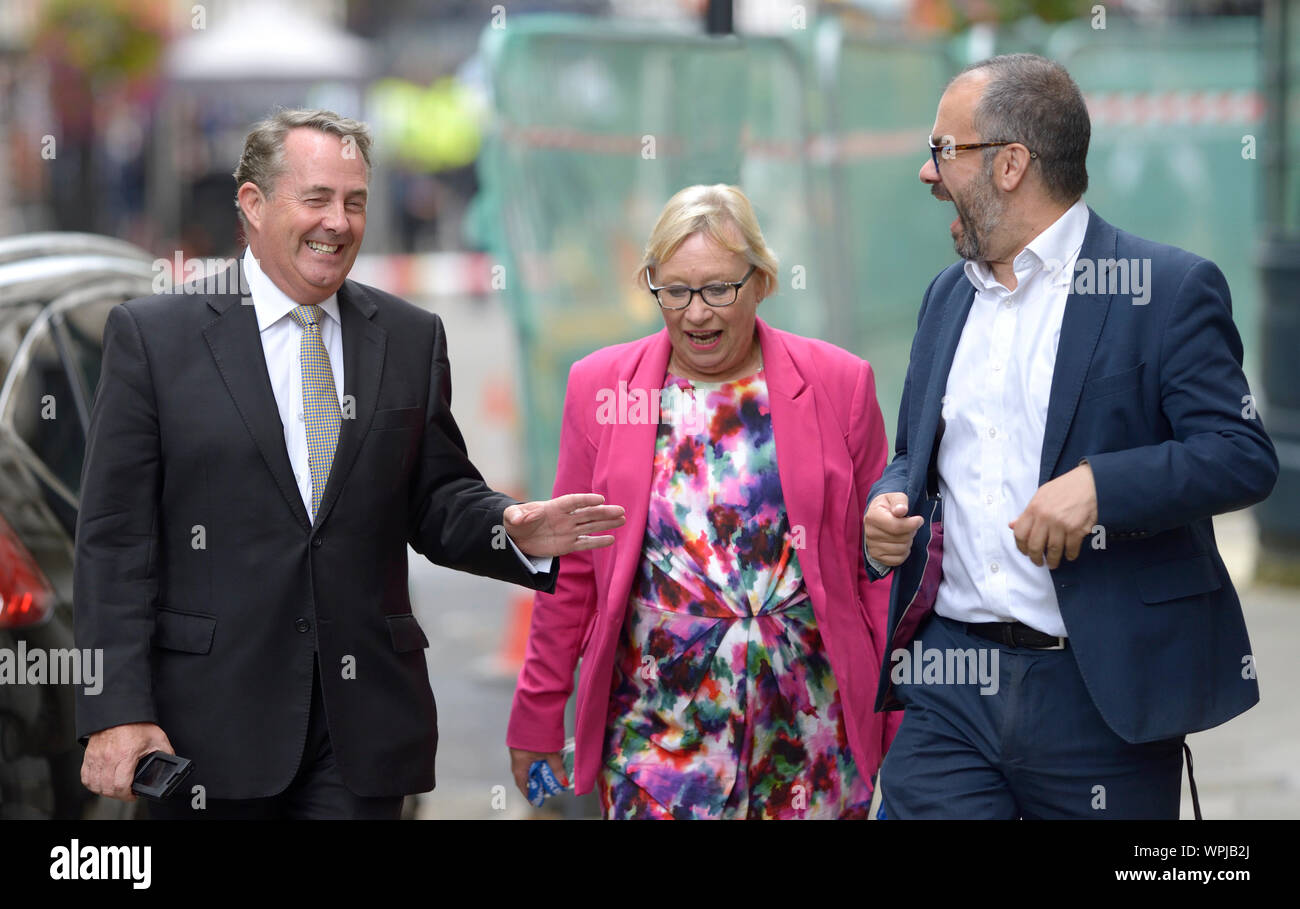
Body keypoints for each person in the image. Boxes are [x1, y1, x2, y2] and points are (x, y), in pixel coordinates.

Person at [74, 109, 625, 819]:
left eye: (355, 201)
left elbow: (434, 496)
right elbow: (114, 543)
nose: (339, 221)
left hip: (360, 731)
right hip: (206, 733)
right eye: (317, 199)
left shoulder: (408, 335)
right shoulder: (156, 337)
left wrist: (509, 527)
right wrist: (117, 709)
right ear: (252, 204)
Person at [863, 54, 1278, 819]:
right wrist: (888, 504)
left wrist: (1100, 487)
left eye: (943, 150)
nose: (928, 173)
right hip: (951, 682)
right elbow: (913, 461)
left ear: (1011, 163)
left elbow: (1241, 454)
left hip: (1099, 695)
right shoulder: (945, 296)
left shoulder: (1166, 287)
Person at [506, 184, 899, 819]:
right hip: (655, 745)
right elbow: (572, 570)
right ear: (652, 286)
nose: (697, 313)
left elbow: (876, 571)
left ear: (762, 281)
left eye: (720, 289)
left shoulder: (838, 384)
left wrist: (900, 722)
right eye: (676, 292)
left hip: (810, 737)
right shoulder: (602, 389)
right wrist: (537, 716)